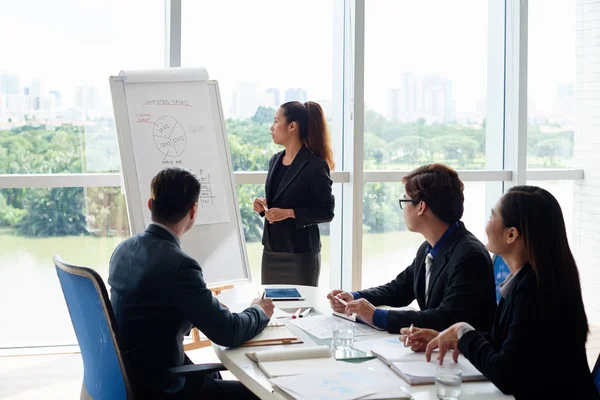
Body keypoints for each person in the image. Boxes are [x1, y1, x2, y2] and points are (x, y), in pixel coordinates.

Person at [410, 186, 598, 398]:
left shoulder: (532, 289)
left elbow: (507, 374)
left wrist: (463, 331)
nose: (486, 225)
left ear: (511, 234)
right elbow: (512, 343)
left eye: (492, 217)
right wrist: (449, 337)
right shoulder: (535, 279)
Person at [109, 167, 274, 399]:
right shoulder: (179, 265)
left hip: (129, 377)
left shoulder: (123, 250)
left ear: (150, 205)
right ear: (193, 210)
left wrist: (201, 309)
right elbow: (228, 333)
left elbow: (147, 313)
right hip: (163, 387)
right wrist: (259, 310)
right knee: (266, 393)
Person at [327, 164, 497, 333]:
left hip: (465, 356)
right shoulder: (429, 247)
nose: (403, 210)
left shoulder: (469, 255)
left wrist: (377, 316)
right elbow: (399, 289)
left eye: (405, 201)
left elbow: (447, 319)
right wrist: (354, 297)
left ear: (421, 207)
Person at [253, 101, 335, 286]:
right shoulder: (274, 160)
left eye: (276, 121)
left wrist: (289, 212)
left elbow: (326, 212)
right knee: (271, 310)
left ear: (292, 126)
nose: (271, 127)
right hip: (271, 251)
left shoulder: (315, 165)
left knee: (302, 312)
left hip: (301, 255)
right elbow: (279, 200)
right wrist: (263, 207)